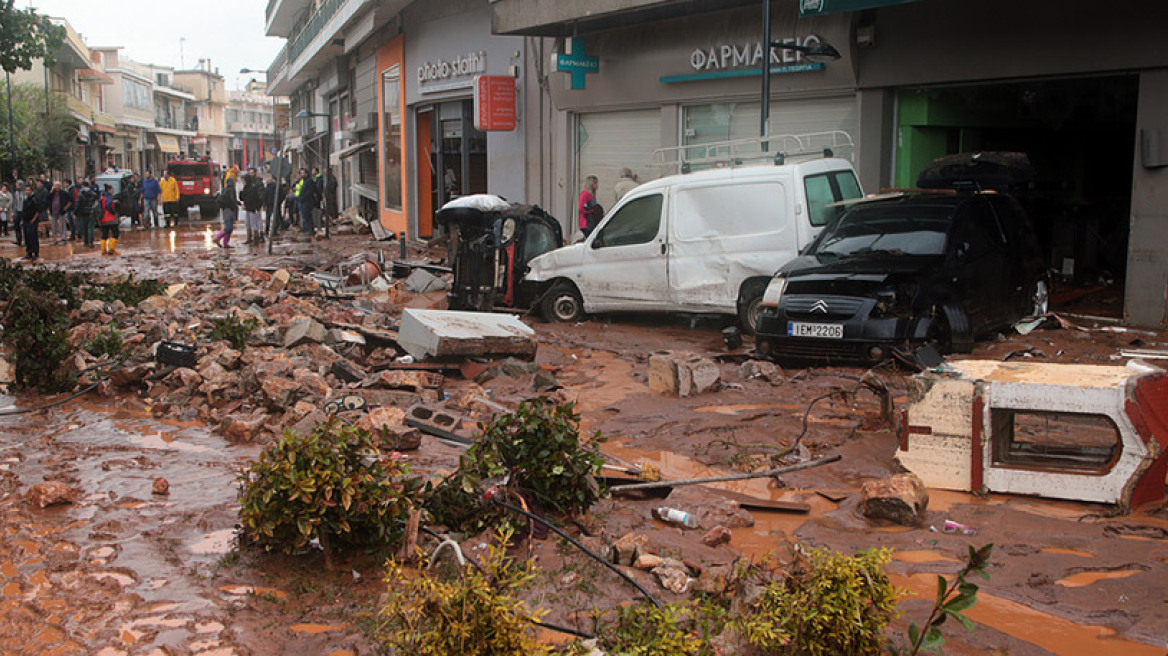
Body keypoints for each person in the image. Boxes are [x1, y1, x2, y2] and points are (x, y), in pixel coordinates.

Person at [212, 167, 239, 248]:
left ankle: (225, 243)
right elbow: (232, 199)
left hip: (225, 210)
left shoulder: (225, 189)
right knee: (228, 227)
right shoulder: (231, 190)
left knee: (229, 227)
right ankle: (218, 238)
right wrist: (237, 203)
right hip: (229, 210)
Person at [240, 168, 265, 245]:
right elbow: (242, 198)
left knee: (255, 223)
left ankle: (256, 238)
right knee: (248, 223)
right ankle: (249, 238)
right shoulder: (245, 188)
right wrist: (241, 193)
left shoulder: (255, 186)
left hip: (253, 208)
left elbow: (256, 198)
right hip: (248, 208)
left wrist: (258, 206)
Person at [73, 181, 100, 249]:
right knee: (90, 227)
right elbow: (97, 203)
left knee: (84, 227)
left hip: (83, 213)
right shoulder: (93, 194)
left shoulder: (80, 194)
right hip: (91, 212)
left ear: (82, 186)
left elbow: (77, 204)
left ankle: (86, 242)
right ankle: (91, 241)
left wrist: (75, 212)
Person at [98, 183, 120, 256]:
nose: (113, 191)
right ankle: (111, 249)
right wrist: (113, 212)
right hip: (110, 218)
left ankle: (103, 251)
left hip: (102, 219)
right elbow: (108, 205)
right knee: (115, 233)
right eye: (112, 189)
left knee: (104, 234)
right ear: (109, 190)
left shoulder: (102, 197)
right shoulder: (109, 197)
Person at [293, 168, 316, 234]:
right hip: (301, 200)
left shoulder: (309, 181)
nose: (302, 174)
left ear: (306, 174)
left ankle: (310, 230)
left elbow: (309, 192)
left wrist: (303, 197)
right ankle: (306, 228)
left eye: (303, 173)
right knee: (304, 215)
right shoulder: (303, 181)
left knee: (307, 216)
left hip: (307, 201)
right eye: (301, 173)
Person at [12, 180, 25, 245]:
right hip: (17, 211)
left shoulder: (24, 193)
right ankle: (18, 240)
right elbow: (15, 203)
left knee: (24, 226)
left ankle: (25, 241)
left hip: (23, 211)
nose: (16, 186)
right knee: (16, 226)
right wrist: (13, 212)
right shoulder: (16, 193)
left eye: (17, 185)